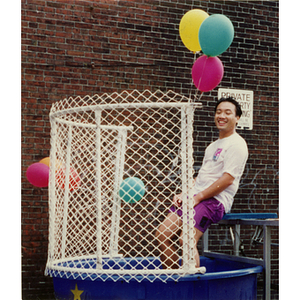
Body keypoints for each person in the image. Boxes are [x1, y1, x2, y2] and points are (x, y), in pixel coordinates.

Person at [155, 97, 248, 269]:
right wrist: (186, 192)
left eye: (228, 112)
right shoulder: (212, 146)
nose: (222, 116)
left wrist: (198, 197)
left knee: (186, 239)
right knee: (162, 234)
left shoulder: (237, 144)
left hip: (215, 201)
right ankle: (177, 283)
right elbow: (202, 176)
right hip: (196, 196)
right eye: (219, 112)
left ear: (237, 118)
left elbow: (228, 179)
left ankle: (193, 290)